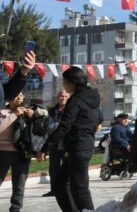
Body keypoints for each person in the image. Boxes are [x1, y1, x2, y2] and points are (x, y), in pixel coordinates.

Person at [37, 66, 103, 212]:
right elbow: (100, 118)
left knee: (80, 189)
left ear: (72, 82)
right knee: (60, 183)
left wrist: (45, 147)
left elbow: (64, 127)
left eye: (65, 82)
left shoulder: (76, 100)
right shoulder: (92, 98)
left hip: (78, 147)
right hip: (84, 145)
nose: (64, 86)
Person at [0, 91, 43, 212]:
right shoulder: (3, 112)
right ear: (9, 98)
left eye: (21, 95)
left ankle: (16, 208)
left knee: (19, 184)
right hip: (3, 152)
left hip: (23, 153)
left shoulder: (28, 111)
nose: (19, 97)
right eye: (16, 94)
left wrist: (33, 117)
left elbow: (38, 131)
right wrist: (14, 116)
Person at [43, 88, 70, 197]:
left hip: (67, 144)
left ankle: (68, 189)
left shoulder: (71, 110)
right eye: (61, 96)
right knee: (53, 168)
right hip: (54, 143)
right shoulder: (52, 110)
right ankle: (54, 189)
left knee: (68, 168)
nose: (63, 98)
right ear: (58, 97)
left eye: (65, 96)